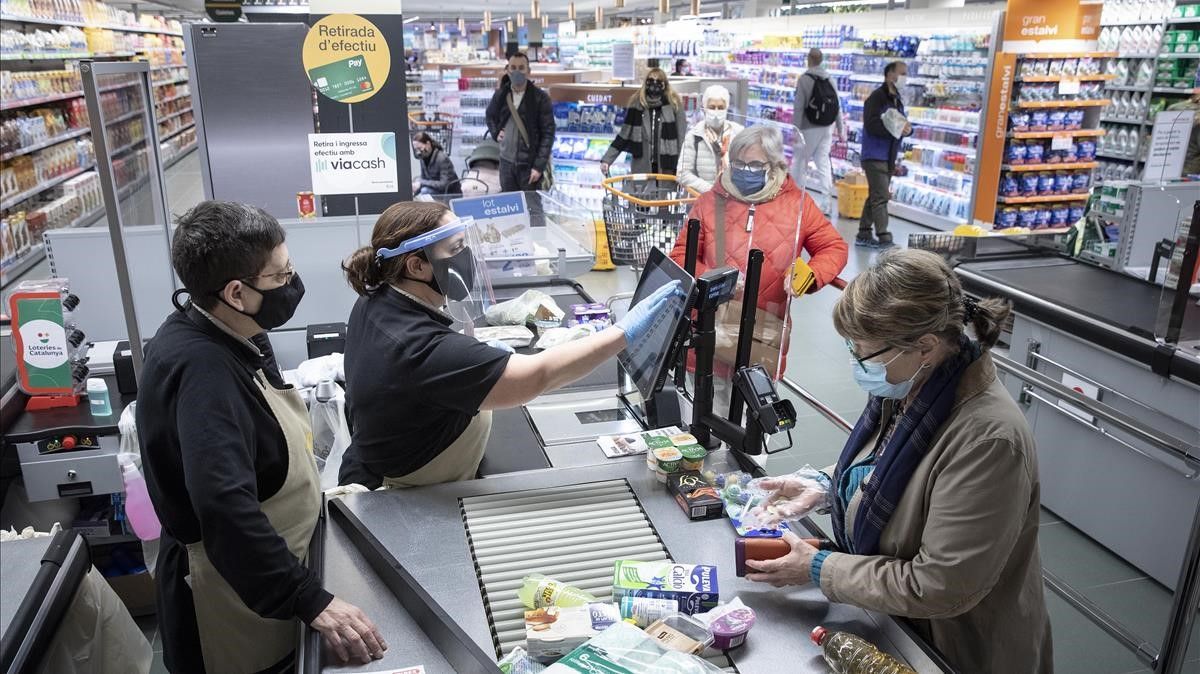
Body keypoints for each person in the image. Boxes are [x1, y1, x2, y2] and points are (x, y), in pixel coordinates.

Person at [744, 248, 1053, 673]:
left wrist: (821, 569)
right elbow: (892, 469)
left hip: (954, 648)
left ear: (924, 346)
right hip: (896, 620)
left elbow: (940, 585)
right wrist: (828, 486)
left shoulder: (989, 440)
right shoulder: (916, 387)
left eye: (863, 353)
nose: (856, 362)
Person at [137, 201, 386, 673]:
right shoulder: (202, 372)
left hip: (270, 571)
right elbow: (224, 506)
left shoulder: (236, 330)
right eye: (281, 274)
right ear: (236, 292)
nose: (293, 282)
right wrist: (308, 598)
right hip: (229, 600)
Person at [338, 201, 683, 488]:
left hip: (396, 452)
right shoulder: (419, 348)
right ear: (416, 265)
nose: (467, 256)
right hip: (416, 487)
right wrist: (623, 332)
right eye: (456, 249)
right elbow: (538, 376)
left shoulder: (378, 299)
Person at [669, 124, 848, 397]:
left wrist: (809, 275)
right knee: (707, 416)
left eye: (754, 164)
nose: (744, 170)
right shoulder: (710, 202)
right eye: (738, 163)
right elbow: (681, 256)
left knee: (754, 419)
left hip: (764, 333)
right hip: (710, 329)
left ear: (775, 164)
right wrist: (718, 283)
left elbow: (833, 247)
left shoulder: (798, 205)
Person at [858, 60, 912, 248]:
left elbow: (902, 124)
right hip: (874, 154)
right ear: (890, 75)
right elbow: (871, 124)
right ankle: (884, 236)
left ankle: (864, 233)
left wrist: (907, 130)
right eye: (901, 73)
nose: (904, 77)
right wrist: (894, 128)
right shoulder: (877, 98)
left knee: (876, 194)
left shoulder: (896, 99)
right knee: (881, 196)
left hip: (888, 155)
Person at [486, 51, 555, 193]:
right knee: (510, 205)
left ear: (529, 71)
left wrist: (538, 166)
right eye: (513, 68)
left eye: (521, 68)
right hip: (506, 163)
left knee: (533, 208)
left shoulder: (540, 98)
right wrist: (495, 132)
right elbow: (490, 115)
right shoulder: (501, 95)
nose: (517, 72)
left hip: (529, 165)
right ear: (508, 70)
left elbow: (548, 134)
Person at [792, 48, 846, 216]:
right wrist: (840, 129)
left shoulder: (804, 80)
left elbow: (799, 107)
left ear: (809, 59)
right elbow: (837, 106)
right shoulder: (830, 79)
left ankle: (795, 201)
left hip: (809, 128)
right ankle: (827, 202)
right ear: (821, 60)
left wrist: (796, 130)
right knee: (823, 163)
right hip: (827, 127)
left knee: (801, 163)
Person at [601, 68, 684, 176]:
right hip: (642, 166)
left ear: (664, 85)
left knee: (663, 191)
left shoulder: (674, 104)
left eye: (658, 81)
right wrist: (607, 159)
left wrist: (682, 167)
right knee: (642, 192)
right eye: (651, 80)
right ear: (646, 83)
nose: (654, 84)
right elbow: (624, 135)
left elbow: (681, 137)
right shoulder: (637, 104)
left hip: (667, 166)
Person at [676, 84, 745, 193]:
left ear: (726, 108)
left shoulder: (739, 133)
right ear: (704, 109)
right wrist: (711, 190)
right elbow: (682, 174)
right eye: (712, 107)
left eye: (721, 107)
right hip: (703, 200)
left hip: (734, 199)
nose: (716, 111)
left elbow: (747, 167)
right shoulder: (694, 136)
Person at [411, 131, 461, 197]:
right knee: (418, 192)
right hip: (435, 188)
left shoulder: (442, 158)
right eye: (416, 149)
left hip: (450, 192)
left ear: (428, 144)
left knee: (424, 191)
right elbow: (424, 179)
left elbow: (444, 184)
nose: (418, 152)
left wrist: (421, 182)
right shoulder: (422, 157)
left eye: (420, 148)